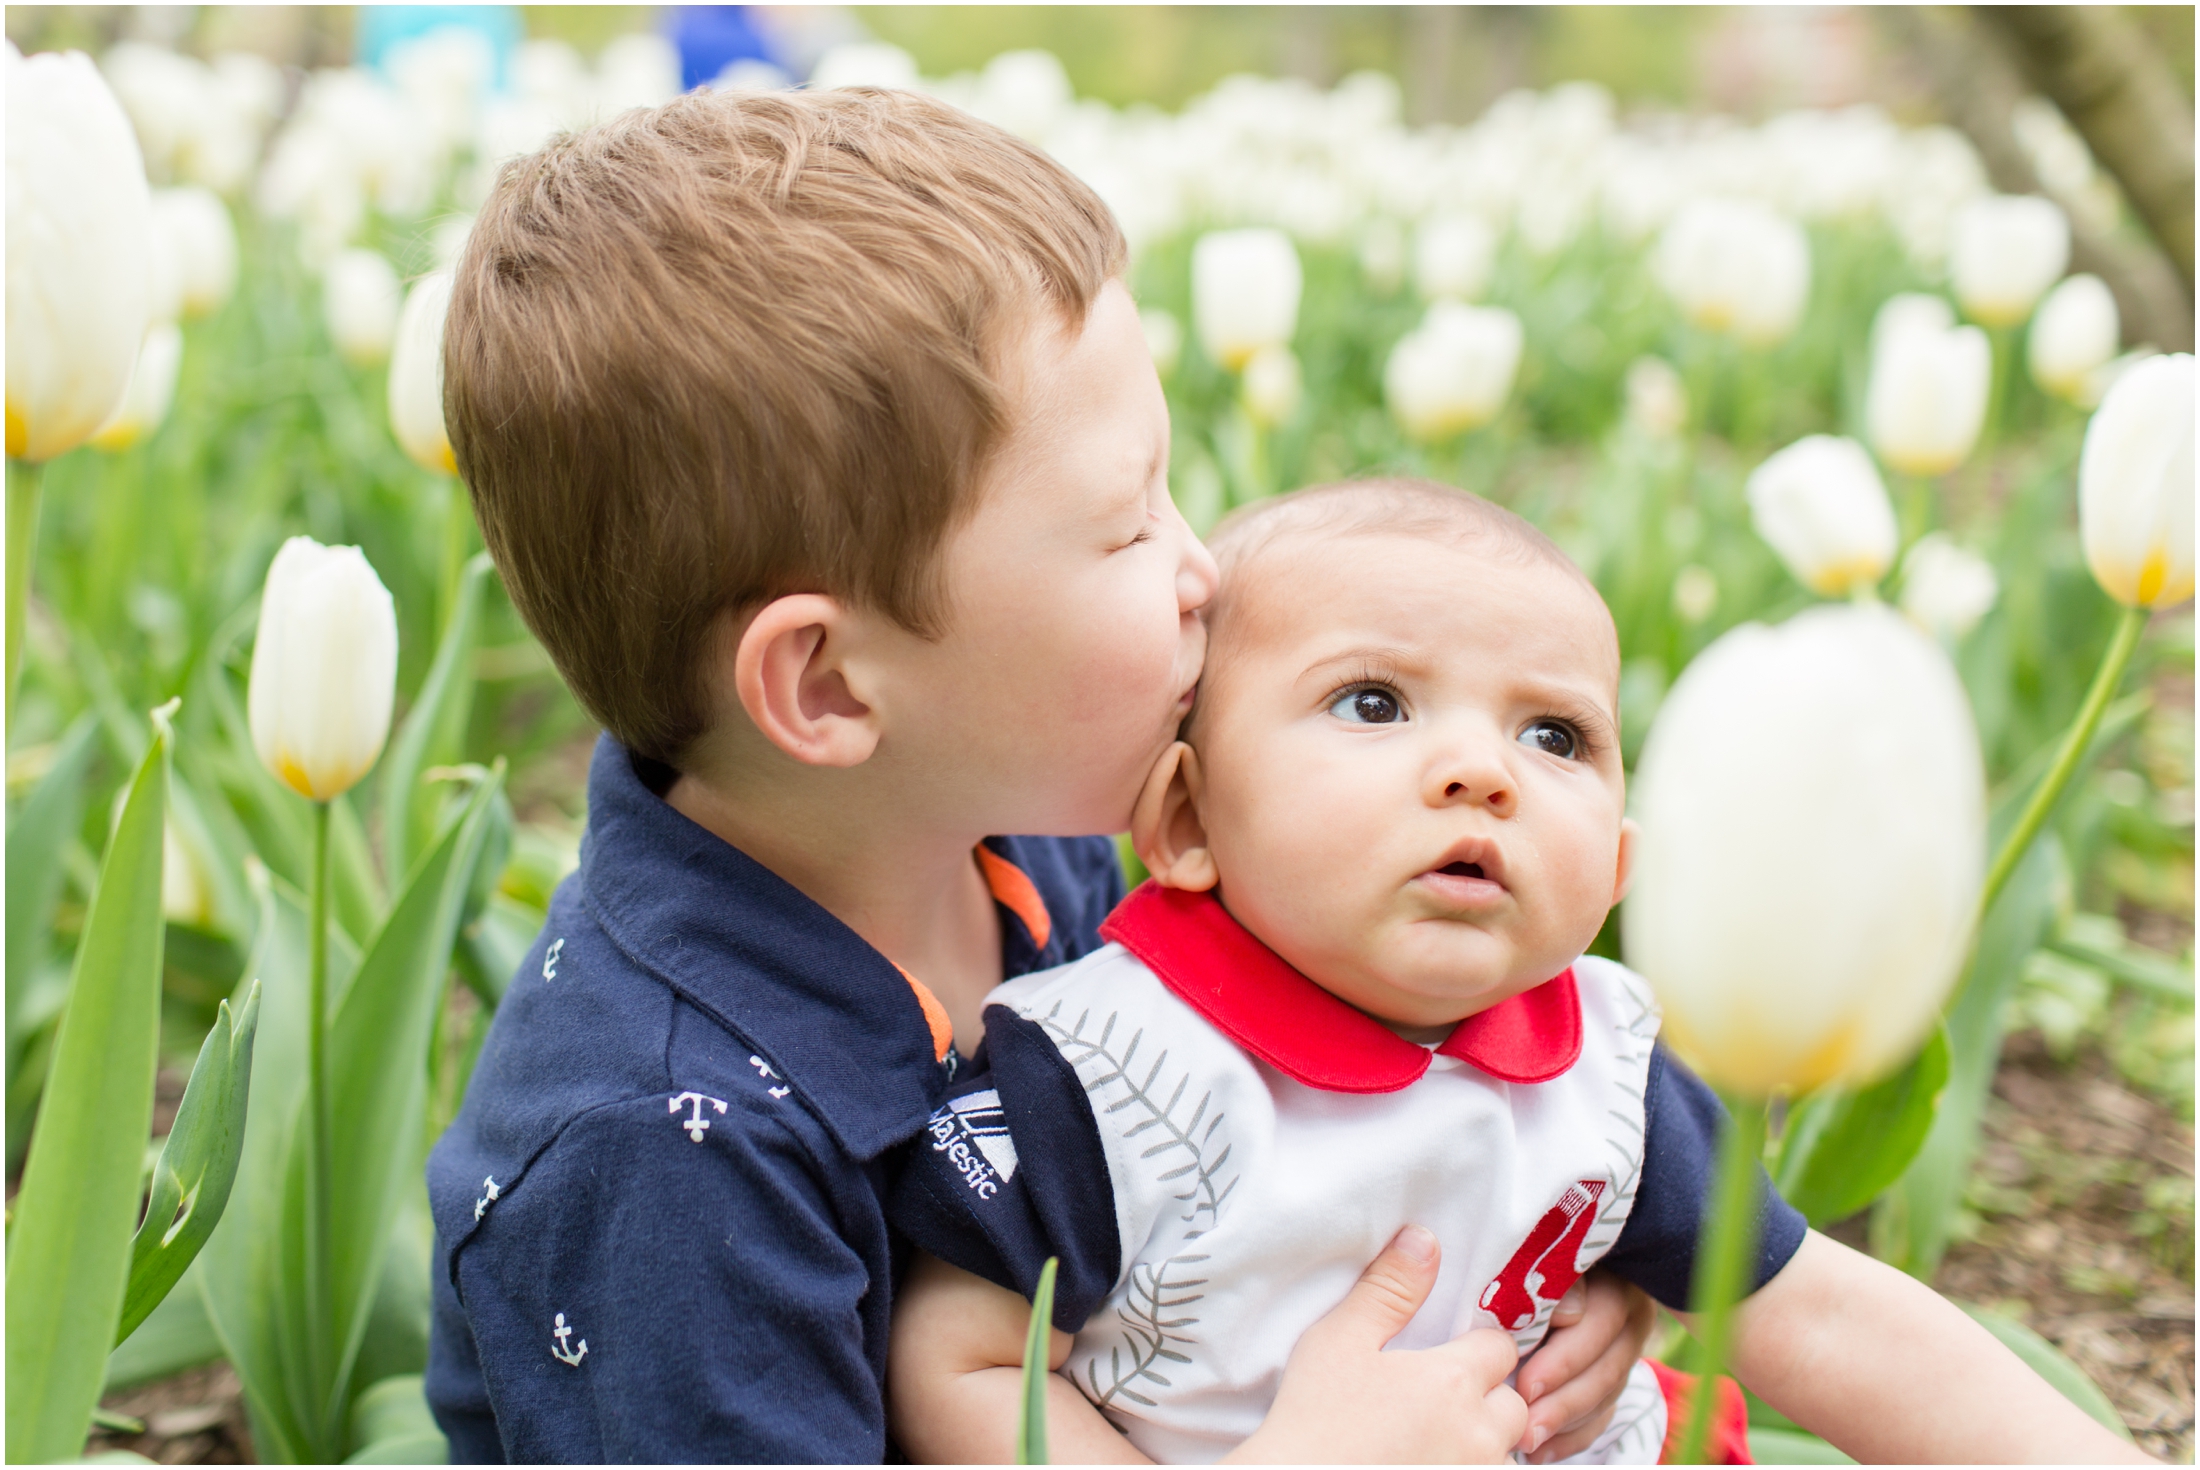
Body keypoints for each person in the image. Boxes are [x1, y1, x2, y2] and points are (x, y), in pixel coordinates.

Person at [423, 90, 1648, 1462]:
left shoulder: (1023, 846)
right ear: (828, 686)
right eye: (1128, 525)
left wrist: (1543, 1268)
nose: (1206, 570)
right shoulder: (659, 1160)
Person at [885, 479, 2156, 1466]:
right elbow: (963, 1360)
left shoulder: (1602, 1070)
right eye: (1374, 703)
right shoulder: (1103, 1077)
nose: (1479, 769)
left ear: (1614, 867)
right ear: (1185, 824)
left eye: (1552, 733)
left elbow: (1818, 1315)